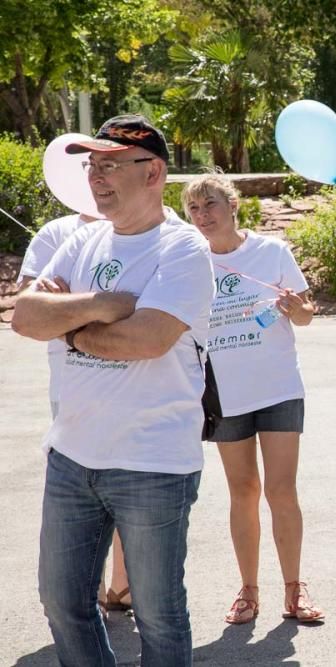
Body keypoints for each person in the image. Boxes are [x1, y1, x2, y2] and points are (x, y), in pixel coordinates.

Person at [11, 114, 214, 666]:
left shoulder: (184, 249)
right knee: (62, 602)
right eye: (91, 165)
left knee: (159, 616)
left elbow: (147, 339)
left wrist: (67, 322)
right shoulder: (82, 240)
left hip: (152, 462)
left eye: (109, 165)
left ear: (153, 173)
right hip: (72, 455)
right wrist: (105, 306)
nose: (95, 177)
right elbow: (25, 317)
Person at [181, 173, 323, 624]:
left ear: (233, 205)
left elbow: (305, 316)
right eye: (194, 209)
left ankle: (295, 590)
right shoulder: (190, 260)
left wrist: (294, 308)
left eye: (210, 205)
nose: (202, 216)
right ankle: (248, 590)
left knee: (282, 490)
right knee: (242, 492)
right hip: (222, 393)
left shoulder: (271, 251)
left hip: (278, 387)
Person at [16, 212, 134, 618]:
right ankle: (94, 591)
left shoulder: (144, 231)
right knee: (84, 488)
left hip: (130, 381)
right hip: (70, 383)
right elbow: (28, 308)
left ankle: (123, 584)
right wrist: (95, 309)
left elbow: (135, 313)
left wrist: (67, 307)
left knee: (126, 481)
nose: (98, 175)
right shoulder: (56, 233)